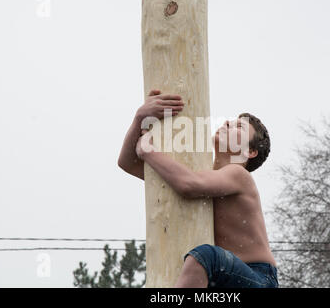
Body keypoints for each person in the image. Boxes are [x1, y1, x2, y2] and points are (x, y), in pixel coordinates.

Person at [118, 89, 278, 288]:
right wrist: (139, 118)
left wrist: (149, 152)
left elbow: (188, 185)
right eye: (231, 121)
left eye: (239, 127)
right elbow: (127, 163)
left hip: (258, 279)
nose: (227, 123)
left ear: (250, 152)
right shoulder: (205, 176)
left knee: (206, 256)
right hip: (222, 278)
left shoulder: (239, 175)